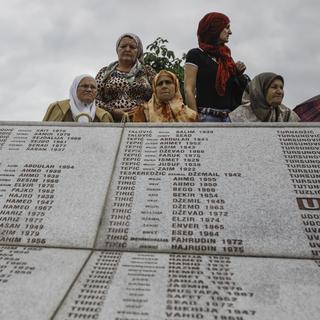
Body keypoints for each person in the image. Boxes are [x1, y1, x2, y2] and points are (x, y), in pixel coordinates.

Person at [184, 12, 249, 122]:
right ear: (215, 28)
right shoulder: (196, 54)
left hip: (229, 118)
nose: (230, 32)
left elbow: (232, 90)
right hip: (206, 117)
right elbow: (188, 89)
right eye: (227, 27)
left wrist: (237, 74)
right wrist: (195, 120)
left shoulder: (226, 59)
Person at [95, 33, 156, 122]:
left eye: (132, 47)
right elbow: (93, 99)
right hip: (110, 122)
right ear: (117, 49)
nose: (127, 49)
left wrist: (144, 109)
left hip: (143, 123)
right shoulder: (105, 72)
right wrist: (112, 111)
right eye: (123, 46)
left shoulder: (148, 71)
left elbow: (159, 96)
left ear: (138, 51)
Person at [229, 72, 300, 122]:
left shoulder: (286, 114)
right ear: (260, 91)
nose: (280, 92)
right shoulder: (240, 114)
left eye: (281, 88)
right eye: (274, 87)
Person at [133, 70, 198, 122]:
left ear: (176, 86)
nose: (164, 86)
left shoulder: (191, 115)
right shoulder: (143, 111)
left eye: (168, 82)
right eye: (160, 84)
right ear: (155, 89)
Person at [43, 75, 113, 122]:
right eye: (84, 86)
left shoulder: (103, 116)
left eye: (93, 87)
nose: (89, 89)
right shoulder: (59, 108)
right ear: (74, 89)